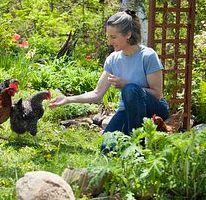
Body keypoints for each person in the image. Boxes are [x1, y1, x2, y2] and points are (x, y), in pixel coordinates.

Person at [48, 10, 170, 151]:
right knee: (106, 147)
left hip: (154, 108)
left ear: (128, 35)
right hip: (127, 111)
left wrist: (126, 85)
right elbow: (97, 93)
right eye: (108, 37)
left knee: (130, 90)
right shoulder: (113, 59)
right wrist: (68, 99)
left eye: (113, 37)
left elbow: (157, 94)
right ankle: (130, 142)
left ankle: (138, 147)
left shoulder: (148, 56)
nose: (109, 42)